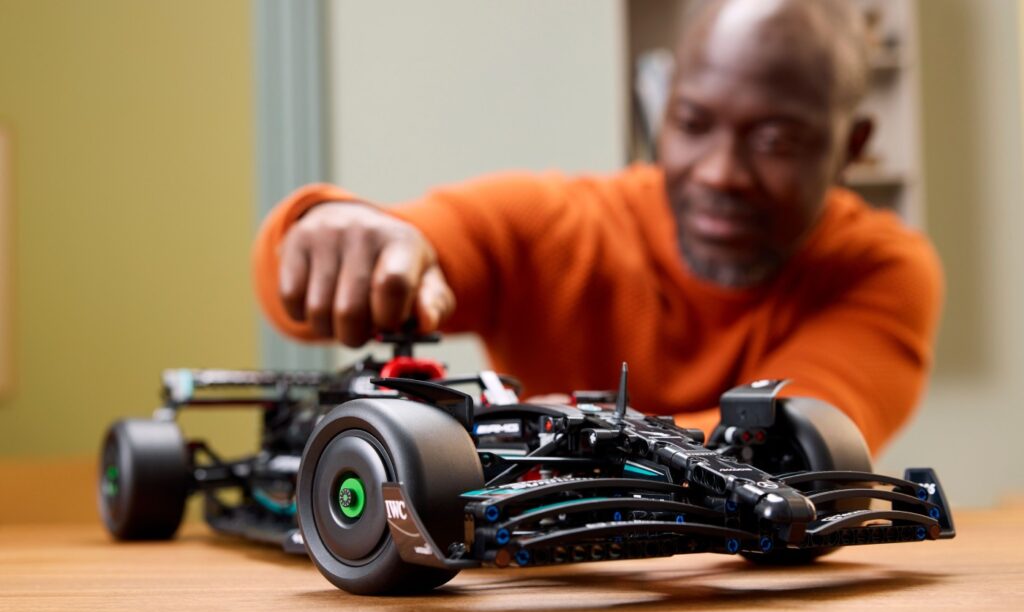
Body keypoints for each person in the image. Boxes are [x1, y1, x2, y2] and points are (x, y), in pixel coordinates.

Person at [251, 0, 943, 455]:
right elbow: (321, 281)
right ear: (662, 110)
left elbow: (803, 442)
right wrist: (330, 228)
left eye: (775, 140)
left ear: (850, 148)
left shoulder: (881, 267)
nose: (720, 172)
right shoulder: (556, 224)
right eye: (694, 124)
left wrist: (575, 434)